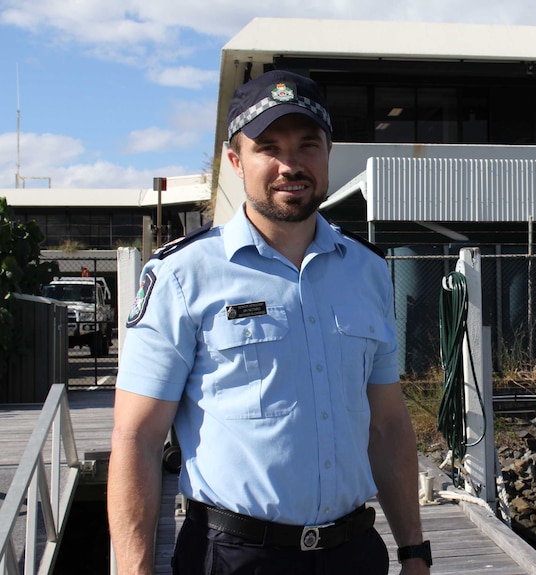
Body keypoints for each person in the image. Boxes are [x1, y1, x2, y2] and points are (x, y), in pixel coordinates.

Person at [107, 69, 432, 575]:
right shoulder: (181, 276)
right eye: (268, 147)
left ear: (328, 154)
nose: (290, 164)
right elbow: (136, 438)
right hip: (234, 559)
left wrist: (413, 549)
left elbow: (388, 425)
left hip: (354, 555)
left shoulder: (368, 272)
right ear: (236, 161)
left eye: (307, 144)